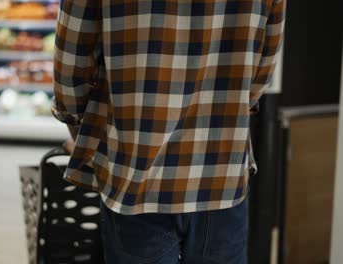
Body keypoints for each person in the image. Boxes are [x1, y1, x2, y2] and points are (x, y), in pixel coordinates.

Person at [52, 0, 285, 263]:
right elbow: (264, 63)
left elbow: (70, 68)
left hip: (134, 167)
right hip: (221, 169)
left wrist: (81, 126)